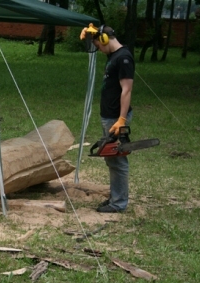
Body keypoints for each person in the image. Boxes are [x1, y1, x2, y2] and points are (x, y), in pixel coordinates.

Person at [81, 24, 135, 213]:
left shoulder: (124, 58)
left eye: (98, 43)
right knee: (111, 159)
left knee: (117, 160)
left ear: (104, 39)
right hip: (109, 116)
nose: (99, 48)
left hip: (115, 117)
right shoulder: (114, 56)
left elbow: (127, 90)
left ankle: (119, 203)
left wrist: (121, 119)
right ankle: (115, 197)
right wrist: (90, 31)